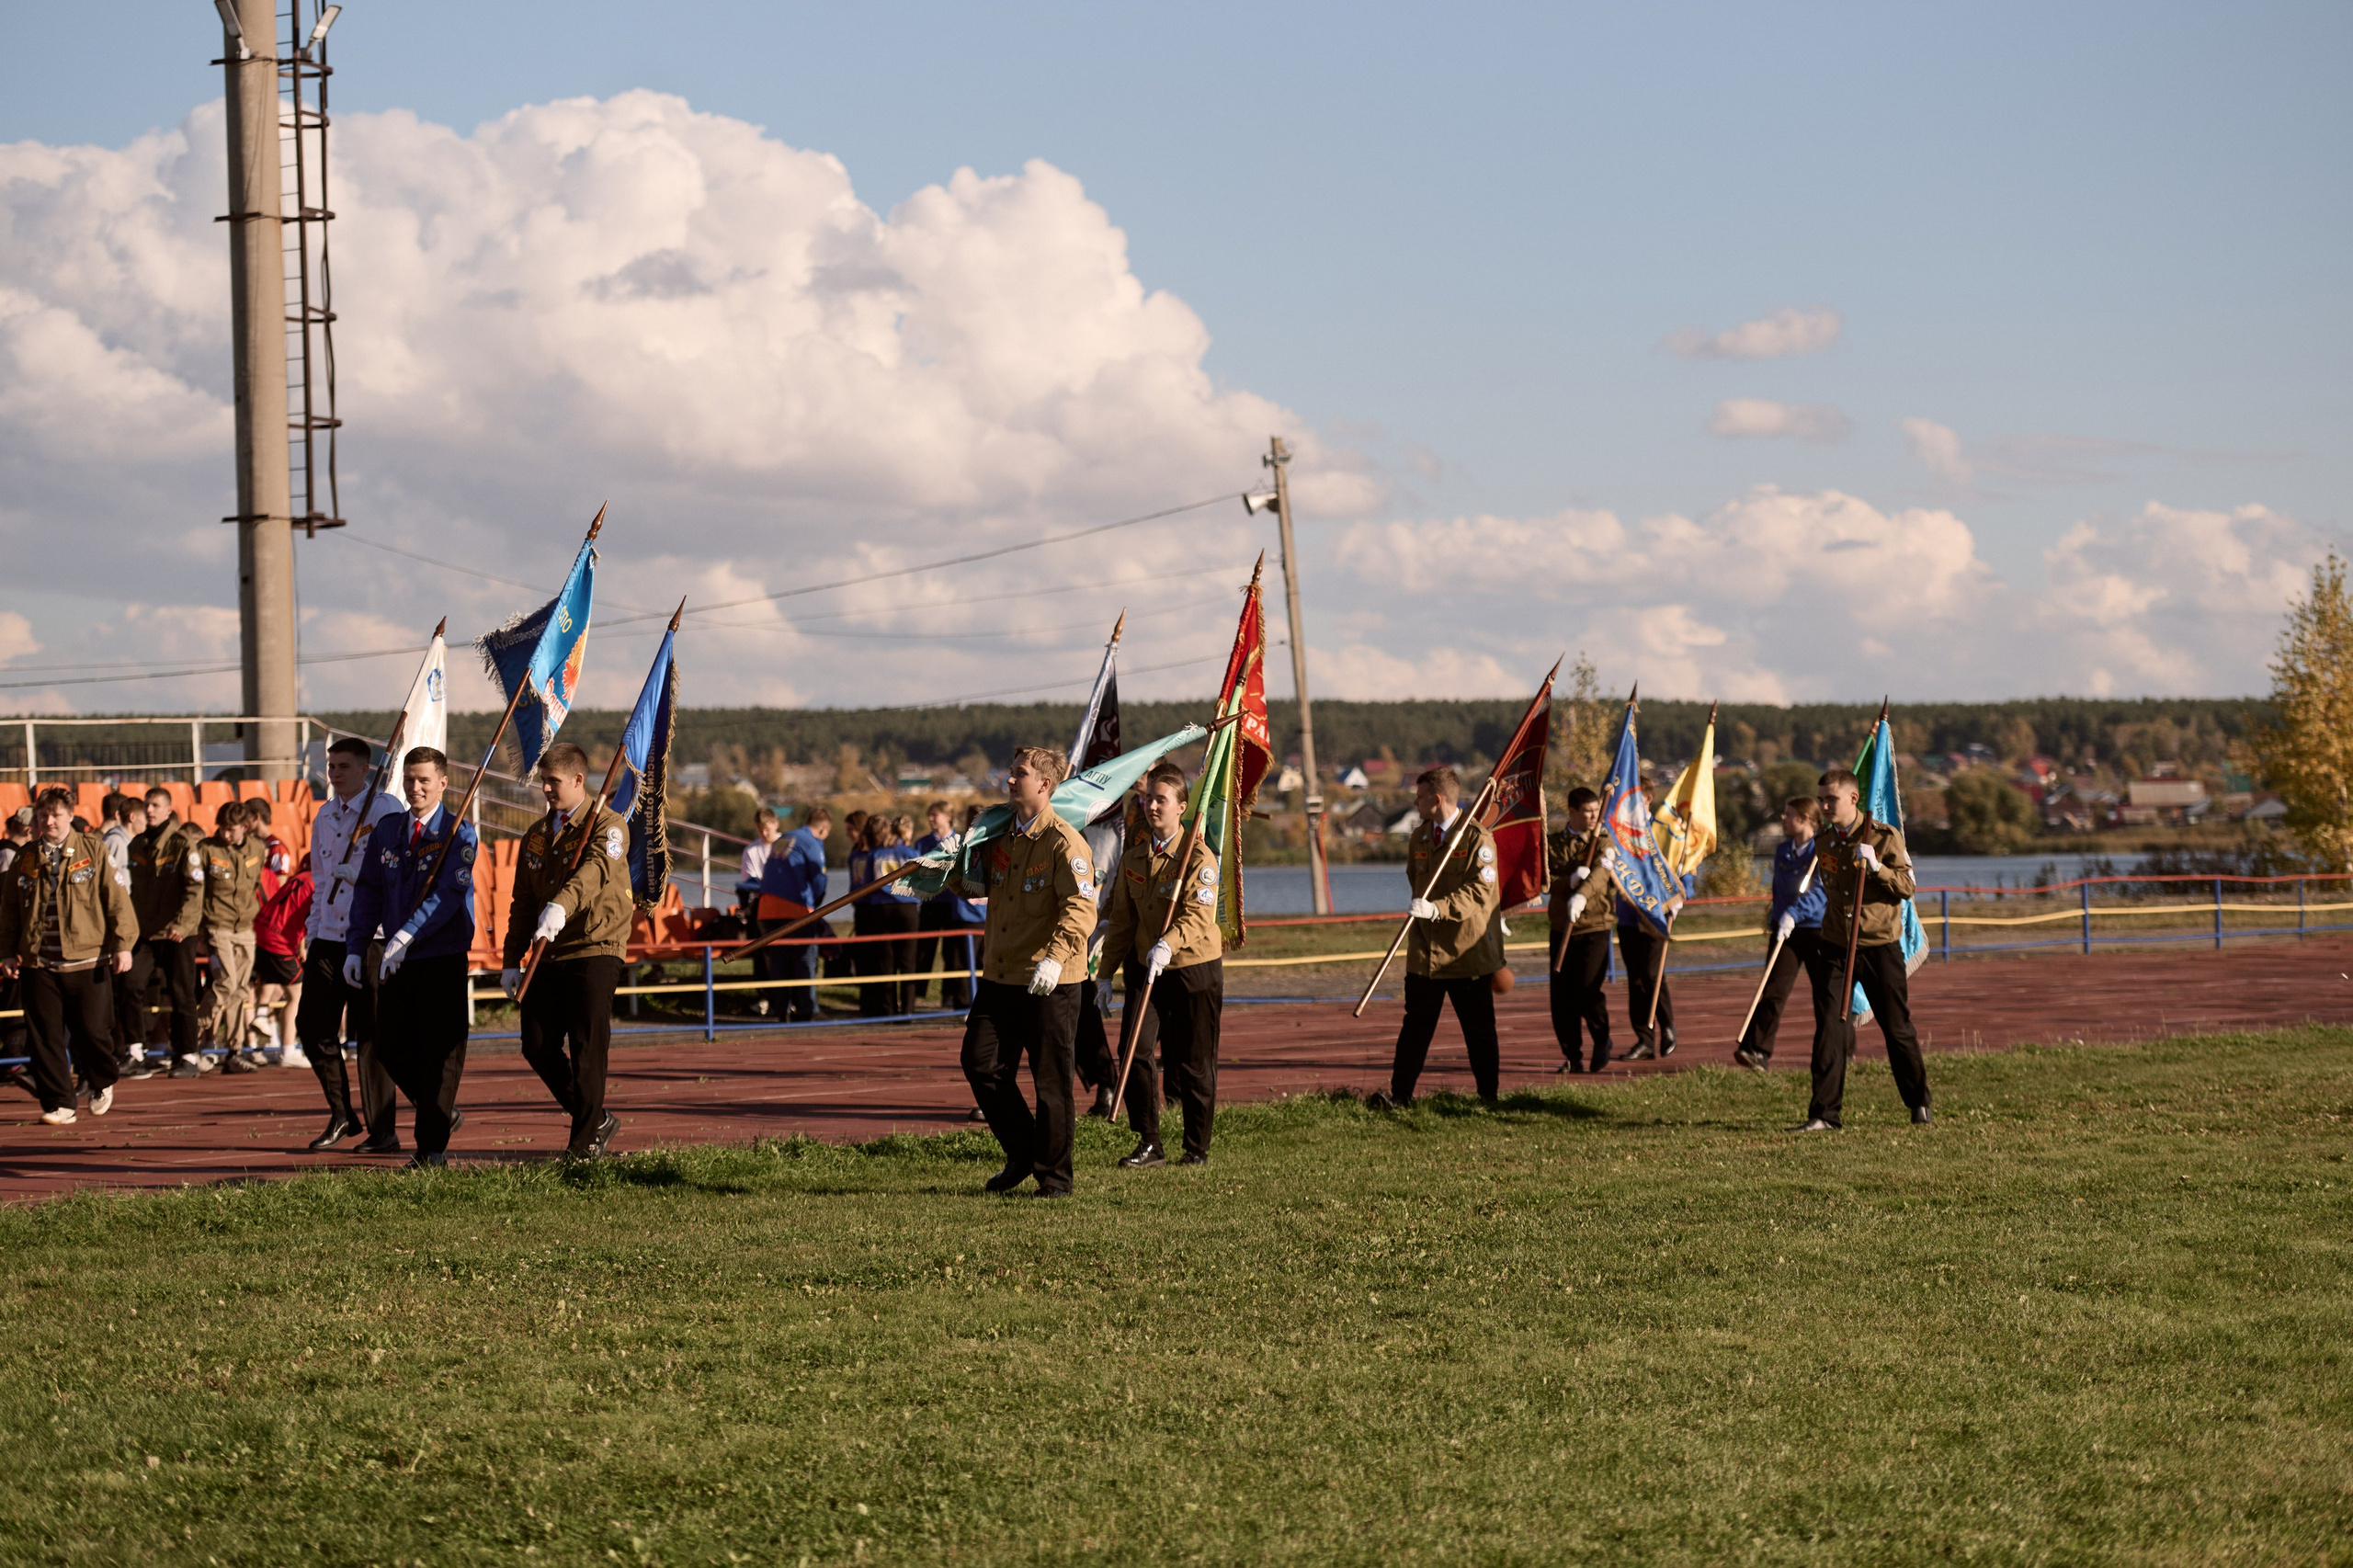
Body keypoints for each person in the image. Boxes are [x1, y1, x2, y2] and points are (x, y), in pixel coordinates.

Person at [950, 745, 1096, 1198]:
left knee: (1051, 1082)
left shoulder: (1063, 841)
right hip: (1001, 974)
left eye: (1020, 774)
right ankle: (1023, 1151)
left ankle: (1054, 1179)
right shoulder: (998, 836)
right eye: (1011, 772)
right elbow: (979, 888)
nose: (1010, 779)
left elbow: (1081, 908)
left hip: (1050, 980)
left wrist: (1055, 956)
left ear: (1045, 785)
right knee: (980, 1062)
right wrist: (948, 869)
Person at [500, 741, 636, 1160]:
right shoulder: (538, 836)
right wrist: (510, 959)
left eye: (553, 781)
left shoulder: (609, 826)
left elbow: (596, 871)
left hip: (595, 945)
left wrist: (562, 904)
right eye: (542, 781)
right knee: (536, 1044)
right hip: (550, 948)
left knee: (586, 1045)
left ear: (578, 780)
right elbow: (523, 900)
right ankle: (594, 1117)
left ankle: (584, 1145)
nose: (545, 789)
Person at [345, 746, 478, 1168]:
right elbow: (368, 890)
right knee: (388, 1045)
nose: (415, 787)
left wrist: (407, 934)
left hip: (441, 953)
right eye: (409, 779)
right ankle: (437, 1110)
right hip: (395, 956)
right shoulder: (387, 831)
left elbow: (447, 896)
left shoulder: (459, 833)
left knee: (441, 1051)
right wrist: (355, 945)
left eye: (424, 780)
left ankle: (430, 1149)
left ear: (442, 782)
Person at [1097, 762, 1224, 1167]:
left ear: (1182, 806)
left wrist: (1167, 945)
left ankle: (1196, 1147)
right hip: (1143, 965)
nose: (1152, 805)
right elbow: (1121, 921)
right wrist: (1103, 975)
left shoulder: (1199, 857)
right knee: (1133, 1050)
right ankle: (1149, 1141)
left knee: (1193, 1061)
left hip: (1191, 966)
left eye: (1161, 799)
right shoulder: (1135, 857)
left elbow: (1198, 917)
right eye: (1148, 798)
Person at [1795, 768, 1931, 1131]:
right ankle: (1824, 1114)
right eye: (1821, 798)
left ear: (1853, 799)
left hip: (1878, 946)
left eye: (1831, 799)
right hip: (1836, 946)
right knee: (1829, 1028)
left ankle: (1918, 1103)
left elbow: (1906, 886)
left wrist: (1876, 868)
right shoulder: (1824, 842)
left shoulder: (1884, 838)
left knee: (1896, 1028)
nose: (1824, 805)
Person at [1369, 766, 1506, 1109]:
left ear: (1437, 798)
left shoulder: (1477, 839)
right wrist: (1424, 910)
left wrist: (1438, 908)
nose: (1415, 802)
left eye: (1420, 796)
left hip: (1465, 954)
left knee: (1478, 1032)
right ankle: (1401, 1097)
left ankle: (1488, 1098)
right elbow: (1414, 880)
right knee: (1415, 1029)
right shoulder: (1420, 837)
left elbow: (1480, 892)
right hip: (1425, 955)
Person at [296, 735, 408, 1152]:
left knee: (372, 1036)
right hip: (328, 937)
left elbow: (395, 871)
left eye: (344, 766)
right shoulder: (324, 815)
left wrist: (358, 873)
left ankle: (384, 1130)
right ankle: (342, 1112)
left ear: (366, 769)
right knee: (311, 1027)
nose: (335, 773)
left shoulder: (385, 809)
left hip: (369, 936)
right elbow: (320, 878)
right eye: (331, 766)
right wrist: (313, 930)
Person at [0, 786, 137, 1125]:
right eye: (43, 815)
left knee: (93, 1032)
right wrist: (6, 952)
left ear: (70, 815)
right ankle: (59, 1103)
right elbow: (9, 911)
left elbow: (117, 899)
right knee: (45, 1036)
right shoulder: (25, 856)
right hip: (39, 962)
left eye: (56, 814)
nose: (49, 821)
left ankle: (102, 1080)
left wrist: (123, 944)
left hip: (86, 960)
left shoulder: (94, 849)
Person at [1735, 796, 1828, 1072]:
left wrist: (1795, 913)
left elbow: (1821, 892)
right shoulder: (1783, 851)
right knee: (1772, 989)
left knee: (1826, 995)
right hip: (1786, 930)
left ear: (1806, 820)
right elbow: (1780, 890)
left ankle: (1841, 1049)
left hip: (1816, 929)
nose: (1783, 819)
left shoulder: (1821, 851)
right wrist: (1777, 917)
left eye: (1789, 815)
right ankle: (1757, 1051)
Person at [127, 786, 208, 1078]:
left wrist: (183, 924)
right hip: (146, 933)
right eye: (147, 805)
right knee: (130, 984)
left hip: (176, 932)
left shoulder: (182, 844)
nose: (150, 810)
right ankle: (135, 1052)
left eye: (156, 805)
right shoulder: (136, 844)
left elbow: (195, 887)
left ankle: (187, 1056)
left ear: (168, 810)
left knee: (181, 993)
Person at [1545, 786, 1619, 1073]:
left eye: (1595, 811)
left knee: (1588, 989)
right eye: (1587, 811)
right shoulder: (1553, 844)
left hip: (1594, 925)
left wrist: (1582, 893)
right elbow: (1545, 880)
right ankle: (1572, 1055)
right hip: (1563, 927)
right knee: (1561, 997)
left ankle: (1602, 1039)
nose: (1593, 816)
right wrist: (1569, 882)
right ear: (1572, 812)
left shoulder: (1602, 841)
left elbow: (1603, 873)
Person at [1618, 788, 1693, 1062]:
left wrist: (1681, 896)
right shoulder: (1620, 831)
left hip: (1657, 915)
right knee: (1635, 980)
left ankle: (1668, 1026)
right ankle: (1644, 1039)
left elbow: (1685, 866)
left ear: (1648, 799)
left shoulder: (1666, 830)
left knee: (1652, 974)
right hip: (1628, 915)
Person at [196, 800, 269, 1072]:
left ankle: (234, 1051)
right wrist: (200, 930)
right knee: (225, 982)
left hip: (245, 929)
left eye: (230, 830)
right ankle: (194, 1030)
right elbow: (197, 892)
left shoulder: (256, 849)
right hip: (218, 926)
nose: (225, 834)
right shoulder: (206, 849)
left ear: (245, 827)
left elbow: (256, 884)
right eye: (222, 829)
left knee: (240, 991)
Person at [756, 805, 831, 1022]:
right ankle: (808, 1010)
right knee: (804, 960)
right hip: (794, 910)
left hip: (767, 909)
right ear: (823, 829)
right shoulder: (811, 843)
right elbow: (819, 879)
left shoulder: (784, 838)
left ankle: (782, 1011)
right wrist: (816, 904)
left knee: (778, 963)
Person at [911, 800, 981, 1010]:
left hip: (953, 904)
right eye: (929, 815)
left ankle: (949, 994)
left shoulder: (959, 841)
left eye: (935, 815)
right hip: (931, 903)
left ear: (948, 817)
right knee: (924, 951)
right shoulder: (922, 843)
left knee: (953, 954)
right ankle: (915, 996)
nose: (931, 819)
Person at [99, 793, 149, 1077]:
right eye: (145, 814)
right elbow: (118, 887)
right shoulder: (117, 842)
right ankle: (122, 1049)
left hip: (127, 921)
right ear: (133, 817)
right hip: (120, 923)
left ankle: (127, 1048)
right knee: (122, 987)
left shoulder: (127, 842)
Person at [851, 814, 919, 1016]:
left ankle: (888, 1010)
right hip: (907, 907)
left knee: (886, 962)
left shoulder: (875, 854)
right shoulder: (911, 852)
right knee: (908, 962)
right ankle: (908, 1011)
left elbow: (867, 884)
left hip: (881, 908)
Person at [251, 852, 313, 1067]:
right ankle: (288, 1048)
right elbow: (310, 917)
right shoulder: (316, 884)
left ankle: (261, 1014)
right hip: (279, 937)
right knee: (297, 993)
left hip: (262, 928)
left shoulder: (298, 879)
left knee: (275, 982)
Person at [737, 808, 779, 928]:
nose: (764, 834)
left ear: (776, 824)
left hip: (785, 899)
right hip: (762, 901)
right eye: (760, 830)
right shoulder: (751, 851)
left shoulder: (787, 844)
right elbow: (750, 881)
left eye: (767, 830)